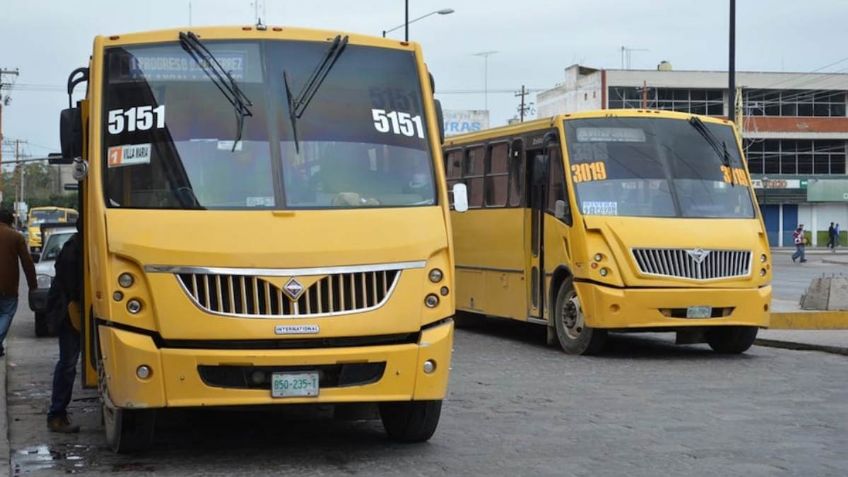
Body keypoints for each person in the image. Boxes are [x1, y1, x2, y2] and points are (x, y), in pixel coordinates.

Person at [46, 218, 82, 433]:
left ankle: (58, 413)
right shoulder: (73, 249)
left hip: (71, 312)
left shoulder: (76, 246)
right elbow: (71, 286)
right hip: (69, 314)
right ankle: (56, 414)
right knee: (68, 364)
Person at [0, 209, 37, 357]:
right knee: (7, 313)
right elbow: (27, 263)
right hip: (7, 286)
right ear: (11, 221)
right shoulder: (16, 237)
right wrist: (32, 285)